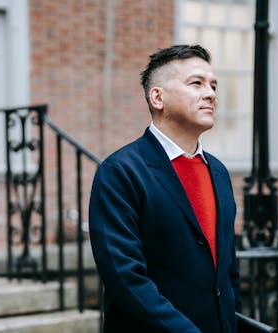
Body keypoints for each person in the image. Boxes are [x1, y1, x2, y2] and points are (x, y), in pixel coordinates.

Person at [88, 44, 242, 333]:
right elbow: (125, 278)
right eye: (196, 83)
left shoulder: (219, 172)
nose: (210, 94)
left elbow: (228, 271)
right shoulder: (120, 172)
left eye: (213, 85)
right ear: (157, 97)